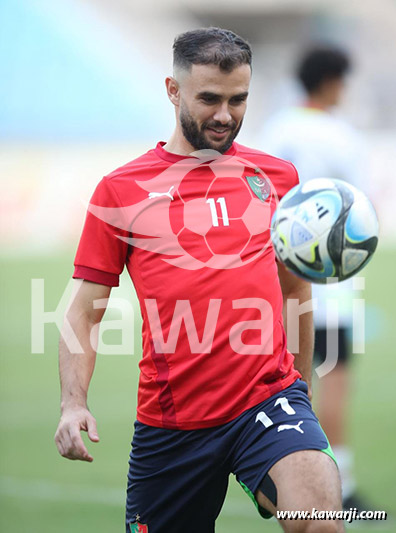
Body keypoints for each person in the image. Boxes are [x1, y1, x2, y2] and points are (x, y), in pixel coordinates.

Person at [55, 28, 344, 533]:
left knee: (319, 519)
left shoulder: (277, 177)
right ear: (173, 90)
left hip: (268, 400)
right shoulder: (121, 190)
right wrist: (73, 404)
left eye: (238, 99)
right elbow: (83, 309)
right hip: (173, 425)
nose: (224, 115)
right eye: (209, 98)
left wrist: (299, 386)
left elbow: (295, 288)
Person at [259, 46, 373, 513]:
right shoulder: (340, 135)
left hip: (277, 276)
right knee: (336, 376)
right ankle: (338, 482)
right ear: (330, 82)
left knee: (281, 381)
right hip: (330, 279)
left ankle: (271, 472)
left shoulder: (274, 129)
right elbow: (359, 210)